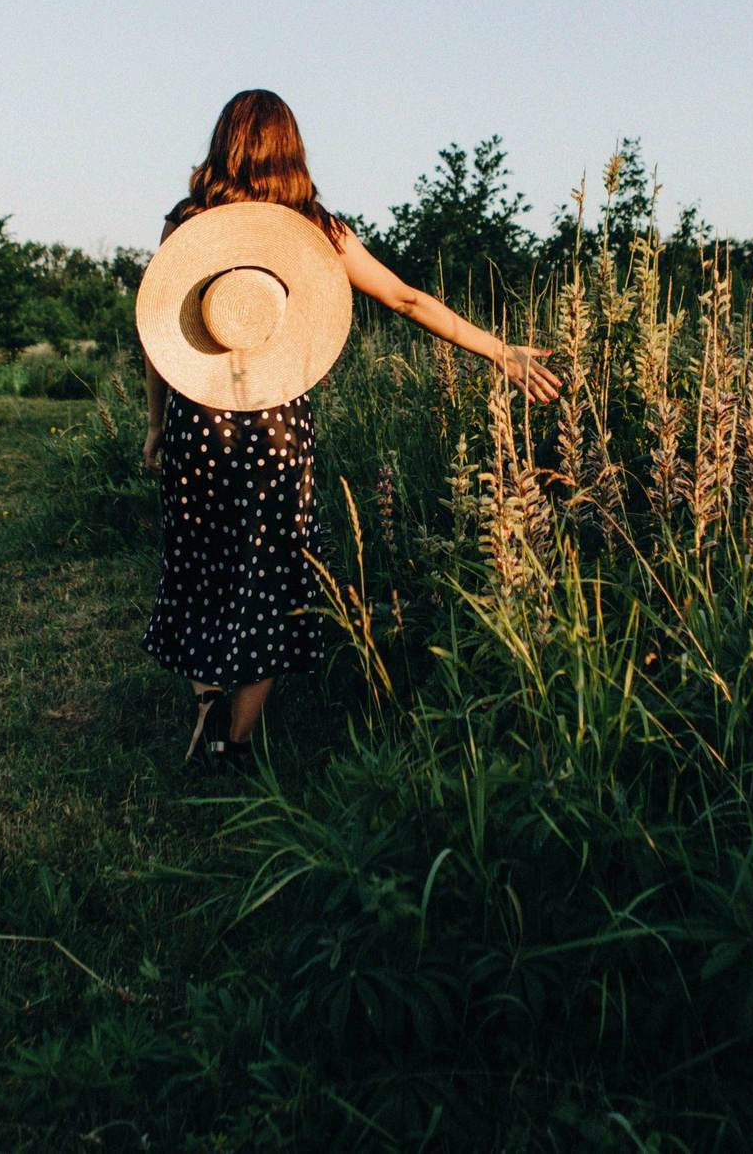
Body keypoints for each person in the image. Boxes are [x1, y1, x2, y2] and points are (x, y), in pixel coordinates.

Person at [140, 88, 559, 769]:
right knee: (273, 574)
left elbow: (159, 335)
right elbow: (405, 298)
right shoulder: (318, 229)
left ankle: (206, 699)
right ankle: (235, 743)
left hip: (198, 423)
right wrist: (498, 350)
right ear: (291, 150)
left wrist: (156, 424)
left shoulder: (187, 222)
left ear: (224, 143)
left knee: (198, 565)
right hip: (276, 430)